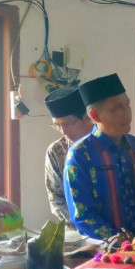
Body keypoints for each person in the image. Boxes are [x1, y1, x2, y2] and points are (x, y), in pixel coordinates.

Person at [64, 73, 135, 239]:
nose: (127, 113)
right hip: (104, 251)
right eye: (117, 108)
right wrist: (121, 240)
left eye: (127, 105)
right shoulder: (80, 154)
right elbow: (83, 215)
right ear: (95, 115)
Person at [43, 87, 94, 222]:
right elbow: (56, 200)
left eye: (67, 124)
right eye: (57, 125)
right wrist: (83, 223)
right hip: (77, 231)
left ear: (88, 117)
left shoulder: (108, 143)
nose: (63, 132)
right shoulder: (56, 152)